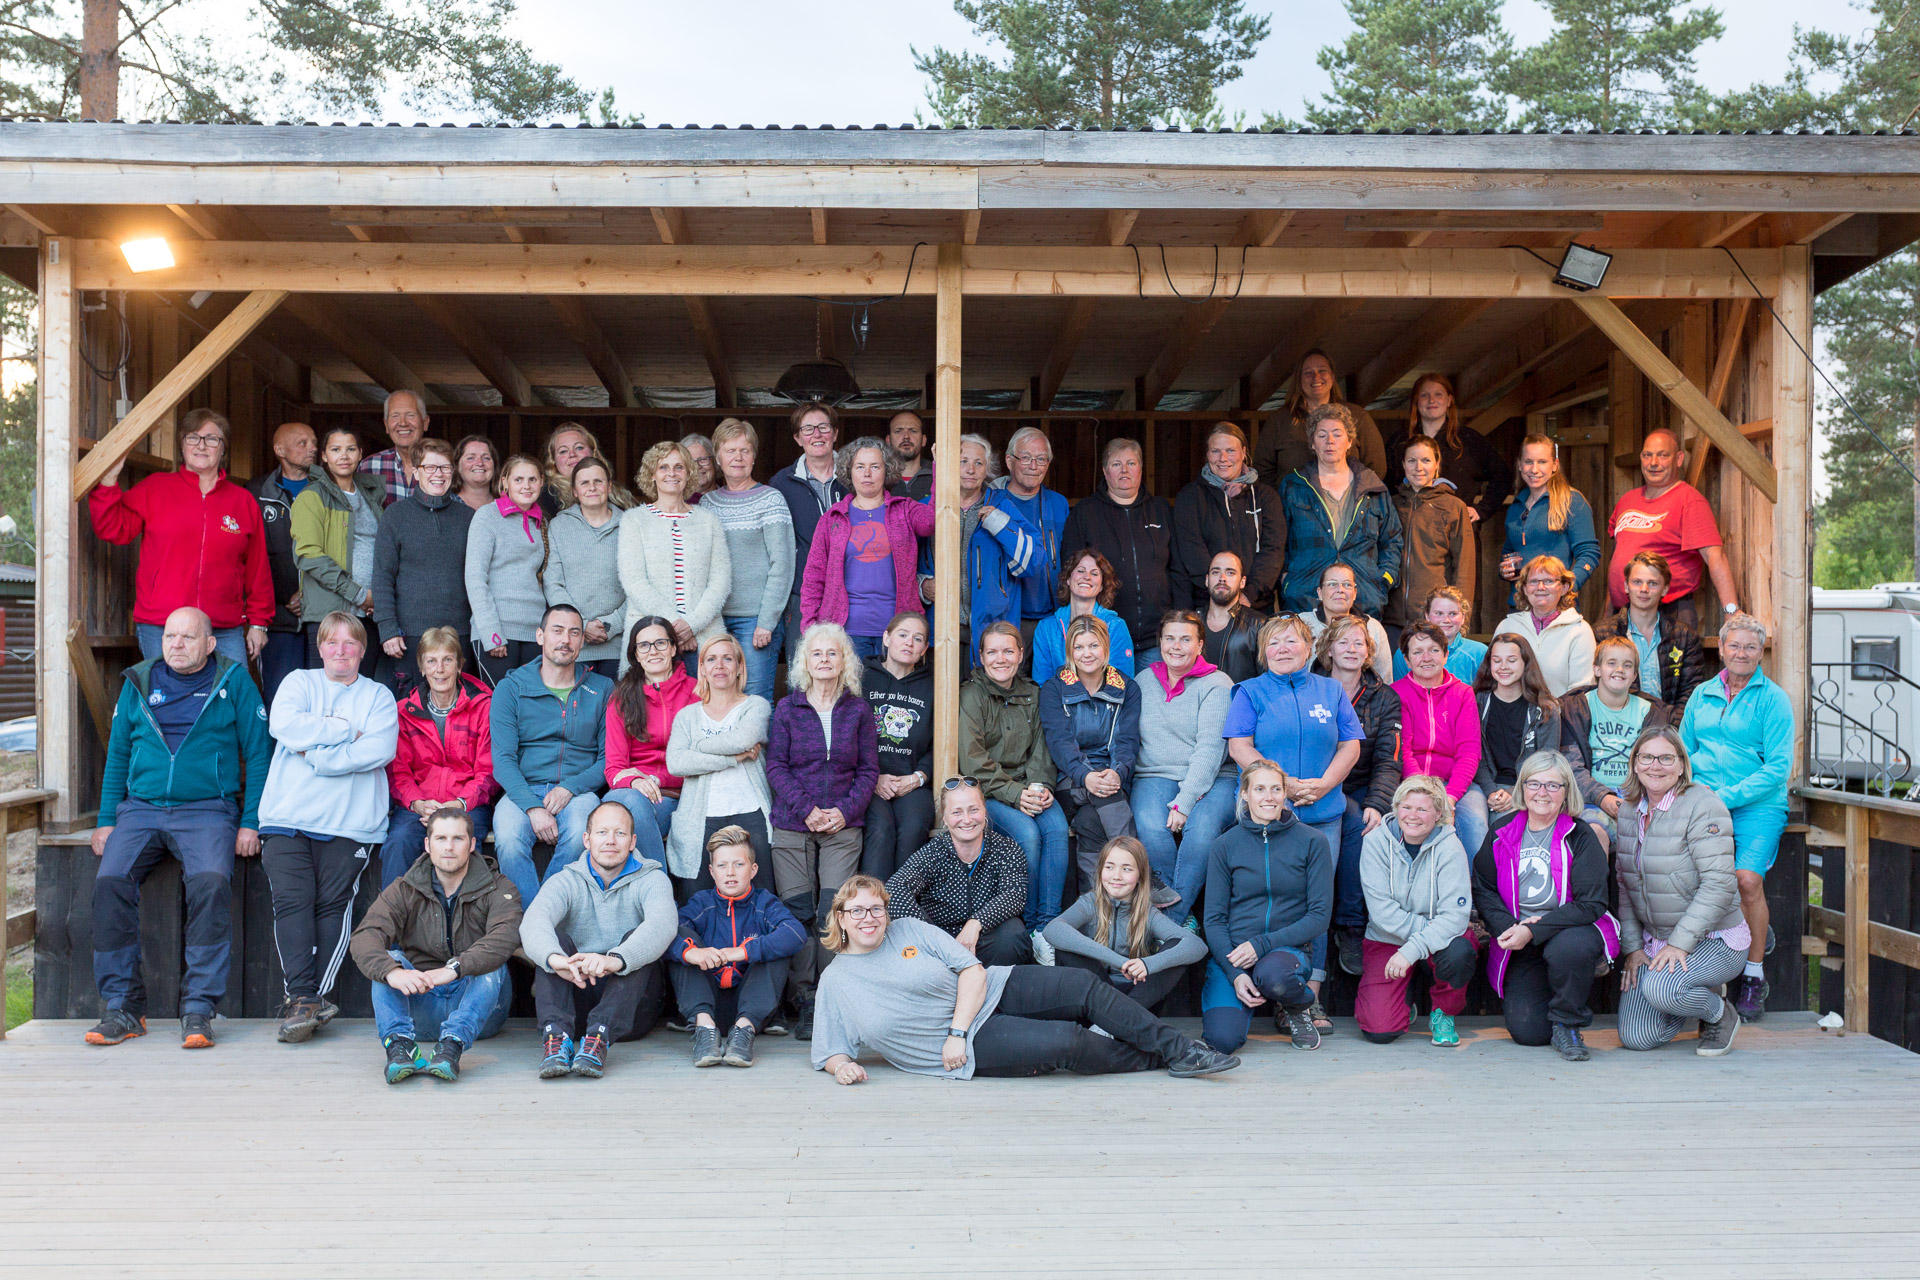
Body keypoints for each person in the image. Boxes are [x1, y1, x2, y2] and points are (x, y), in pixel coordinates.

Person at [811, 876, 1238, 1082]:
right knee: (1066, 1041)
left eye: (877, 908)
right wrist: (843, 1067)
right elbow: (829, 1050)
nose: (870, 918)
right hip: (961, 1049)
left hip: (987, 992)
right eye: (858, 911)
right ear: (841, 920)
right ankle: (1161, 1058)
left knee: (1081, 986)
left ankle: (1181, 1050)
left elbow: (971, 968)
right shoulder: (838, 980)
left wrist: (956, 1029)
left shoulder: (908, 929)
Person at [82, 607, 272, 1050]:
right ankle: (122, 1007)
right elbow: (118, 755)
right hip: (141, 809)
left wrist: (250, 822)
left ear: (210, 643)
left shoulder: (234, 682)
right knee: (109, 881)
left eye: (189, 637)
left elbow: (259, 754)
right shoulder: (138, 681)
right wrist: (107, 818)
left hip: (207, 809)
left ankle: (200, 1009)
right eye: (170, 636)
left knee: (209, 882)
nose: (177, 645)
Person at [258, 611, 400, 1045]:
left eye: (351, 643)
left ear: (363, 649)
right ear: (320, 648)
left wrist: (317, 755)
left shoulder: (377, 696)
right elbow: (283, 726)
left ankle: (309, 1000)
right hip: (287, 816)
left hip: (351, 823)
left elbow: (379, 749)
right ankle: (303, 998)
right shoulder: (299, 683)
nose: (341, 651)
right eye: (332, 643)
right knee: (292, 902)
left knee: (331, 908)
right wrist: (342, 731)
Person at [90, 407, 273, 666]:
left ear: (223, 449)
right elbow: (112, 528)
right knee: (169, 702)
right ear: (182, 446)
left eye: (212, 439)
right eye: (192, 437)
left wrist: (258, 623)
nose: (201, 445)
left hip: (223, 627)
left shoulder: (242, 501)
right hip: (162, 625)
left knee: (233, 698)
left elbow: (258, 569)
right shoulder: (156, 487)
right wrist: (108, 480)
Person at [348, 806, 519, 1083]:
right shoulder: (405, 888)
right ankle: (400, 1046)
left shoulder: (499, 887)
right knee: (387, 960)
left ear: (472, 844)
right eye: (440, 839)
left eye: (458, 839)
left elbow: (505, 937)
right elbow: (365, 936)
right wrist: (393, 972)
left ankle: (452, 1046)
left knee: (493, 963)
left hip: (480, 1010)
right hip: (422, 1009)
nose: (449, 847)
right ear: (427, 845)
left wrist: (454, 968)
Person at [766, 622, 879, 1038]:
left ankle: (831, 995)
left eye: (833, 653)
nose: (825, 660)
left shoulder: (858, 711)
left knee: (835, 912)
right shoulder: (787, 709)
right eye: (817, 654)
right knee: (797, 912)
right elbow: (776, 766)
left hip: (843, 825)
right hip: (794, 825)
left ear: (844, 660)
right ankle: (804, 998)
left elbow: (869, 770)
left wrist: (843, 812)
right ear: (805, 662)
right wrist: (807, 808)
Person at [1680, 613, 1794, 1021]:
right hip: (1705, 802)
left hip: (1758, 805)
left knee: (1747, 880)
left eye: (1750, 647)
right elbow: (1685, 752)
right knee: (1697, 880)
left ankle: (1753, 974)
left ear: (1759, 652)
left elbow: (1778, 768)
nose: (1741, 653)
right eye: (1735, 646)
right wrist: (1689, 790)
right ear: (1722, 649)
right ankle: (1707, 972)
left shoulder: (1773, 699)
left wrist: (1727, 795)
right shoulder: (1702, 694)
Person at [1472, 750, 1619, 1062]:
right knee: (1528, 1033)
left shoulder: (1580, 835)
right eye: (1534, 783)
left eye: (1553, 785)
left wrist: (1534, 931)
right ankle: (1557, 995)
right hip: (1521, 937)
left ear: (1566, 792)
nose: (1542, 792)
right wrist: (1510, 927)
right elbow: (1483, 887)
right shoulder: (1503, 831)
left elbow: (1591, 903)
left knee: (1568, 949)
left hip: (1570, 929)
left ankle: (1568, 1022)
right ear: (1522, 788)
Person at [521, 798, 676, 1079]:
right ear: (586, 839)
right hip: (579, 993)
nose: (611, 841)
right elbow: (534, 921)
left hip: (631, 1008)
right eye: (602, 832)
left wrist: (614, 959)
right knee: (552, 941)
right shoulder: (566, 880)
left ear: (632, 841)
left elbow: (663, 924)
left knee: (637, 942)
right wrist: (556, 960)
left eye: (620, 833)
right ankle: (556, 1039)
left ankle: (598, 1040)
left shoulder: (652, 879)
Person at [1613, 727, 1746, 1055]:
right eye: (1646, 757)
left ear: (1682, 765)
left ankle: (1718, 1013)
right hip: (1657, 940)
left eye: (1665, 758)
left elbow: (1720, 883)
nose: (1655, 766)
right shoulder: (1630, 810)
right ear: (1634, 763)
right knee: (1636, 1038)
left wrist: (1679, 944)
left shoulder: (1703, 805)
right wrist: (1632, 948)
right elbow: (1626, 886)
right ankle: (1688, 995)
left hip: (1712, 938)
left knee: (1660, 988)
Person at [1202, 760, 1333, 1053]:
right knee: (1222, 1040)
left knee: (1274, 975)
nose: (1269, 797)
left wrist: (1261, 945)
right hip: (1235, 954)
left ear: (1285, 793)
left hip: (1285, 951)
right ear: (1244, 794)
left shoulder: (1313, 842)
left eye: (1276, 789)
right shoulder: (1224, 845)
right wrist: (1234, 973)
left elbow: (1320, 916)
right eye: (1259, 789)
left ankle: (1299, 1007)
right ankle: (1234, 994)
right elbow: (1213, 919)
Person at [489, 605, 615, 907]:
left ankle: (541, 918)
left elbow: (607, 759)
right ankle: (538, 923)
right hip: (523, 790)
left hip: (579, 791)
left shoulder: (602, 688)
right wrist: (533, 807)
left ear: (582, 641)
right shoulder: (511, 688)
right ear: (540, 636)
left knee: (579, 837)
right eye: (557, 630)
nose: (565, 640)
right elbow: (503, 761)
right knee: (507, 838)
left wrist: (570, 787)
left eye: (574, 632)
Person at [960, 622, 1068, 947]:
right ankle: (1031, 923)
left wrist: (1038, 788)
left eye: (1008, 650)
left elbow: (1043, 749)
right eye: (992, 652)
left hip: (1029, 788)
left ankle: (1047, 929)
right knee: (1027, 835)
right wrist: (1016, 794)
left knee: (1057, 831)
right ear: (980, 656)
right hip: (989, 792)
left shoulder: (1033, 694)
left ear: (1021, 654)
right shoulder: (971, 695)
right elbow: (973, 760)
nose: (1000, 658)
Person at [1355, 776, 1477, 1046]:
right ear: (1396, 808)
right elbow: (1382, 914)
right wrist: (1425, 937)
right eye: (1406, 807)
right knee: (1379, 1030)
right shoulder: (1375, 842)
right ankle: (1404, 995)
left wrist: (1411, 950)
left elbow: (1455, 918)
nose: (1413, 816)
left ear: (1438, 814)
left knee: (1459, 951)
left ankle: (1443, 1013)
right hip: (1388, 937)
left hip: (1439, 941)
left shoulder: (1450, 847)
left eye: (1422, 809)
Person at [1130, 611, 1236, 919]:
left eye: (1186, 639)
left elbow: (1210, 748)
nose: (1176, 646)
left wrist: (1184, 802)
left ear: (1200, 645)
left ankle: (1170, 924)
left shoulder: (1217, 684)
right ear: (1160, 642)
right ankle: (1183, 915)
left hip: (1215, 775)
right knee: (1150, 824)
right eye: (1170, 638)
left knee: (1201, 831)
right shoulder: (1143, 680)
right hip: (1155, 773)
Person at [674, 825, 808, 1067]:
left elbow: (795, 933)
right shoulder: (701, 903)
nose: (730, 873)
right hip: (707, 1007)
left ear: (753, 869)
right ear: (712, 871)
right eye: (722, 866)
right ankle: (704, 1032)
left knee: (776, 944)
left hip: (751, 1012)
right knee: (682, 942)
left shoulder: (764, 903)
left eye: (739, 864)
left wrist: (745, 951)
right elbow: (666, 937)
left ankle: (742, 1034)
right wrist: (693, 952)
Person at [663, 635, 775, 908]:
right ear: (701, 669)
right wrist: (732, 759)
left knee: (759, 901)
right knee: (699, 903)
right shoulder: (687, 716)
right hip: (701, 818)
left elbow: (742, 740)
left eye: (728, 658)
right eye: (711, 659)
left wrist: (698, 747)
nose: (719, 665)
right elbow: (677, 763)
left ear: (739, 667)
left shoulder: (756, 706)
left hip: (751, 813)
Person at [1038, 616, 1143, 904]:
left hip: (1112, 781)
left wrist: (1117, 773)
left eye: (1094, 645)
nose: (1087, 653)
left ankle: (1094, 909)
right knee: (1101, 804)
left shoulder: (1126, 687)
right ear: (1070, 651)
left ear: (1106, 647)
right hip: (1069, 780)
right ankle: (1138, 866)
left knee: (1090, 823)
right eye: (1079, 647)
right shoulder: (1054, 688)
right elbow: (1060, 744)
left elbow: (1127, 741)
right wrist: (1086, 776)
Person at [1317, 614, 1401, 971]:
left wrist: (1378, 803)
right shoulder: (1308, 686)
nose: (1351, 649)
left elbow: (1389, 758)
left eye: (1359, 643)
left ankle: (1351, 926)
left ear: (1369, 652)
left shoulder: (1384, 697)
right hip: (1316, 782)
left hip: (1363, 783)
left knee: (1364, 826)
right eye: (1343, 642)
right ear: (1328, 649)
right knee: (1344, 818)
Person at [801, 436, 935, 658]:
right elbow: (813, 578)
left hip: (898, 632)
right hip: (845, 631)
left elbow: (930, 522)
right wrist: (810, 628)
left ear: (887, 471)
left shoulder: (904, 510)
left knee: (891, 692)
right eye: (860, 466)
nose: (867, 473)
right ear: (849, 471)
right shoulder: (832, 518)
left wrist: (940, 468)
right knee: (853, 693)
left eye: (875, 466)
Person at [383, 627, 496, 888]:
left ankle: (460, 921)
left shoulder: (483, 707)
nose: (440, 669)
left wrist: (459, 804)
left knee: (460, 846)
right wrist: (417, 804)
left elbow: (488, 771)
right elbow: (398, 772)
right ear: (421, 668)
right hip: (421, 807)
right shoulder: (404, 711)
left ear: (459, 665)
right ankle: (391, 922)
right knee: (399, 842)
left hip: (466, 804)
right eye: (431, 661)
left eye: (448, 660)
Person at [1045, 836, 1206, 1011]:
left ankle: (1121, 1019)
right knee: (1066, 945)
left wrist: (1147, 964)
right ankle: (1111, 1023)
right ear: (1100, 871)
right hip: (1095, 995)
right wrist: (1120, 962)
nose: (1117, 876)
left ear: (1140, 876)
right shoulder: (1090, 903)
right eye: (1109, 867)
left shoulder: (1147, 912)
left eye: (1127, 869)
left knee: (1177, 949)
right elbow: (1052, 930)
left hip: (1136, 998)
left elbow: (1197, 946)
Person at [885, 777, 1032, 965]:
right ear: (944, 818)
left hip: (985, 939)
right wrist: (933, 935)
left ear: (984, 811)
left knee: (1014, 936)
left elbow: (1015, 895)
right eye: (957, 812)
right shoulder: (934, 851)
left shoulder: (1005, 848)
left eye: (974, 810)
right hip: (940, 943)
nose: (967, 820)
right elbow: (894, 890)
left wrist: (976, 923)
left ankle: (993, 987)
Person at [925, 432, 1044, 663]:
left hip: (991, 629)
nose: (971, 469)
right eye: (963, 462)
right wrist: (923, 584)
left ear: (987, 469)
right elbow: (911, 561)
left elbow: (1033, 561)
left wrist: (999, 523)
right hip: (940, 630)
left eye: (978, 463)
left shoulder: (1001, 505)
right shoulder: (931, 507)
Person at [1276, 403, 1403, 617]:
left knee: (1356, 650)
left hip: (1363, 597)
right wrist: (1287, 578)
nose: (1330, 441)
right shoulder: (1293, 486)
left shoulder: (1373, 488)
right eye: (1322, 435)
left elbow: (1392, 539)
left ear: (1349, 442)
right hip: (1305, 597)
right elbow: (1278, 540)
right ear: (1312, 443)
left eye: (1337, 434)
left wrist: (1383, 579)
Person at [620, 439, 731, 676]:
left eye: (679, 467)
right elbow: (634, 581)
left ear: (689, 473)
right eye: (663, 467)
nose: (672, 473)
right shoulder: (634, 520)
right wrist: (671, 627)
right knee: (648, 709)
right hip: (652, 637)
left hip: (703, 635)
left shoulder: (708, 520)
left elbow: (720, 581)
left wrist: (691, 625)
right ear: (652, 474)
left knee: (708, 705)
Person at [372, 438, 475, 692]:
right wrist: (387, 629)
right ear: (416, 472)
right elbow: (383, 576)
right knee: (410, 713)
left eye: (445, 467)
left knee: (458, 711)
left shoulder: (470, 518)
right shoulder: (395, 516)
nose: (438, 474)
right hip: (408, 636)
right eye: (430, 467)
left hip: (459, 634)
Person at [1060, 438, 1176, 662]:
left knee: (1154, 696)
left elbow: (1177, 567)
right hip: (1105, 634)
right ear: (1105, 472)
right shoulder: (1085, 512)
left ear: (1141, 469)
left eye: (1131, 463)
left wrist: (1177, 620)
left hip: (1157, 637)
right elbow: (1071, 571)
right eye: (1116, 464)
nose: (1124, 470)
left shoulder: (1160, 510)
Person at [1606, 428, 1740, 621]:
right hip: (1624, 614)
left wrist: (1731, 612)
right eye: (1647, 455)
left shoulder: (1689, 501)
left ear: (1678, 459)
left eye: (1662, 456)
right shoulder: (1627, 500)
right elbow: (1618, 561)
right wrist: (1607, 615)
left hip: (1668, 613)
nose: (1653, 463)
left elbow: (1715, 557)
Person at [703, 418, 795, 699]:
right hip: (714, 618)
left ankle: (759, 747)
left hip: (755, 618)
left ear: (754, 456)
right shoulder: (708, 503)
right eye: (730, 451)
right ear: (718, 457)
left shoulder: (770, 499)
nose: (738, 458)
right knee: (715, 696)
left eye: (745, 450)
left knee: (755, 696)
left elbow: (783, 564)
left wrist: (767, 620)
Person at [604, 616, 701, 872]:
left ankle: (649, 891)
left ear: (672, 648)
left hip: (678, 796)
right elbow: (613, 768)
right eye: (644, 645)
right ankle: (658, 891)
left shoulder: (697, 692)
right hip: (633, 794)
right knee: (622, 809)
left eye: (660, 643)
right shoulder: (621, 699)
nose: (653, 651)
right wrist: (636, 781)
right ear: (635, 654)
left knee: (622, 821)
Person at [1561, 637, 1669, 851]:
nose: (1619, 669)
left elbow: (1658, 764)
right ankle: (1597, 885)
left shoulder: (1650, 712)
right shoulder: (1576, 708)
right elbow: (1570, 765)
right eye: (1611, 663)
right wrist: (1603, 797)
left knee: (1656, 837)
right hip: (1591, 798)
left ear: (1635, 675)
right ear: (1597, 669)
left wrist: (1637, 799)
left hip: (1638, 797)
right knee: (1594, 831)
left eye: (1627, 665)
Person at [293, 425, 386, 672]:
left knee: (363, 692)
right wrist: (358, 594)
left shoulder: (370, 495)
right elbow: (309, 556)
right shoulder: (312, 496)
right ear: (324, 456)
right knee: (329, 694)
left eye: (350, 449)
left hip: (369, 615)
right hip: (330, 615)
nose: (343, 456)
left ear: (360, 454)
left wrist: (379, 597)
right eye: (335, 449)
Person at [1172, 422, 1286, 612]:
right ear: (1207, 455)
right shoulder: (1190, 497)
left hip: (1257, 605)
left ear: (1243, 452)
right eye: (1216, 451)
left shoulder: (1265, 497)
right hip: (1208, 606)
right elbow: (1191, 550)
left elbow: (1273, 549)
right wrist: (1221, 594)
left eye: (1230, 451)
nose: (1223, 458)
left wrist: (1249, 594)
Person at [1394, 622, 1487, 857]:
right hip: (1409, 782)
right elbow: (1403, 750)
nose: (1426, 658)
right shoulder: (1396, 693)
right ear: (1406, 660)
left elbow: (1469, 751)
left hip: (1455, 784)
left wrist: (1450, 796)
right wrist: (1424, 792)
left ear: (1446, 655)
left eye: (1434, 650)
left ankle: (1472, 891)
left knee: (1474, 823)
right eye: (1417, 652)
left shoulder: (1463, 693)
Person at [769, 401, 849, 663]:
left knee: (850, 668)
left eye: (823, 427)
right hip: (803, 594)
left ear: (835, 433)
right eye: (808, 429)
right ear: (797, 438)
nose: (817, 434)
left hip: (851, 590)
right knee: (803, 670)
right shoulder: (781, 483)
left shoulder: (855, 475)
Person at [463, 452, 549, 686]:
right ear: (505, 482)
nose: (526, 486)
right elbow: (475, 578)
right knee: (500, 706)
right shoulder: (487, 516)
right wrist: (492, 633)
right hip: (499, 631)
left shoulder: (540, 521)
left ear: (541, 482)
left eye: (532, 479)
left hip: (534, 632)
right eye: (518, 479)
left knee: (532, 705)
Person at [861, 612, 935, 881]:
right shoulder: (862, 678)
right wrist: (872, 778)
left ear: (925, 648)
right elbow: (848, 737)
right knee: (880, 828)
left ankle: (903, 905)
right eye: (902, 635)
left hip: (913, 780)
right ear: (886, 638)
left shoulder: (933, 684)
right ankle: (873, 906)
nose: (909, 643)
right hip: (868, 780)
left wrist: (918, 778)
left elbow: (942, 743)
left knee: (914, 827)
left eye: (918, 639)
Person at [543, 456, 627, 679]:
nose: (592, 488)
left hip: (619, 643)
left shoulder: (629, 525)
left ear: (609, 487)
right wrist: (581, 625)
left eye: (598, 482)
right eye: (584, 483)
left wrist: (612, 625)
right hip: (573, 645)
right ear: (575, 491)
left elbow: (639, 583)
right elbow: (553, 583)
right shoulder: (559, 526)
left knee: (614, 710)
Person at [1470, 632, 1561, 836]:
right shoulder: (1476, 704)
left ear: (1525, 664)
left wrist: (1515, 793)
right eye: (1496, 660)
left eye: (1511, 660)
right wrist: (1490, 791)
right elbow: (1476, 757)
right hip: (1485, 785)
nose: (1503, 666)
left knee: (1505, 827)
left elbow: (1546, 763)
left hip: (1531, 787)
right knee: (1473, 824)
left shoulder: (1545, 710)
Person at [252, 421, 317, 707]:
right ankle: (279, 754)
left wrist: (312, 593)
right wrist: (284, 597)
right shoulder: (256, 492)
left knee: (321, 700)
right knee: (281, 702)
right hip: (278, 620)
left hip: (323, 618)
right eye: (303, 443)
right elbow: (252, 558)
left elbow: (344, 553)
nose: (312, 448)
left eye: (314, 442)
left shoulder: (329, 490)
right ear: (280, 450)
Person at [1389, 373, 1509, 526]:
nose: (1431, 400)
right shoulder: (1399, 443)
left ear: (1449, 400)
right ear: (1416, 401)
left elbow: (1503, 475)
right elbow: (1386, 484)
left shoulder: (1469, 440)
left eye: (1438, 394)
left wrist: (1481, 510)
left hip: (1457, 530)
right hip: (1411, 532)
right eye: (1424, 395)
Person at [1387, 435, 1476, 641]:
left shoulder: (1453, 506)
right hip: (1392, 616)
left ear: (1437, 464)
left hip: (1434, 616)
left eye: (1426, 460)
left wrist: (1461, 617)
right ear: (1403, 464)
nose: (1419, 467)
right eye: (1412, 460)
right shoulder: (1391, 504)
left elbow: (1464, 566)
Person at [1254, 348, 1389, 482]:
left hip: (1348, 502)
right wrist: (1283, 498)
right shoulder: (1279, 420)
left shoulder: (1357, 416)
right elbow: (1262, 470)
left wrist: (1355, 497)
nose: (1316, 377)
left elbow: (1376, 468)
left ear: (1332, 376)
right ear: (1299, 380)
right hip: (1290, 502)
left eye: (1322, 371)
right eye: (1308, 372)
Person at [1594, 551, 1708, 710]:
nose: (1644, 589)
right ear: (1626, 586)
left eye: (1653, 583)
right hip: (1618, 726)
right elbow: (1598, 689)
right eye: (1637, 582)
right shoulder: (1603, 634)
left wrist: (1670, 728)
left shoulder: (1684, 636)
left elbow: (1690, 692)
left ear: (1665, 589)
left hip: (1669, 728)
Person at [992, 426, 1071, 650]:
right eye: (1026, 458)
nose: (1034, 466)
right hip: (1008, 617)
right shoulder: (993, 502)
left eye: (1041, 459)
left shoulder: (1058, 503)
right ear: (1009, 461)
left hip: (1053, 616)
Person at [1501, 434, 1600, 599]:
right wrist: (1504, 570)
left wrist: (1568, 587)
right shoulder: (1516, 507)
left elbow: (1589, 553)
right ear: (1519, 465)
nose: (1534, 469)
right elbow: (1509, 553)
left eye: (1542, 462)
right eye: (1528, 462)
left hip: (1556, 606)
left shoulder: (1572, 501)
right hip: (1519, 604)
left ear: (1555, 465)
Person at [1494, 554, 1596, 698]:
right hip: (1513, 716)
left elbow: (1580, 691)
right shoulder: (1507, 627)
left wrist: (1553, 717)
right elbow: (1495, 681)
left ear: (1565, 587)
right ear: (1524, 588)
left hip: (1562, 717)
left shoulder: (1579, 631)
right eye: (1533, 581)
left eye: (1548, 581)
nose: (1540, 587)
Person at [1031, 546, 1137, 679]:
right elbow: (1042, 683)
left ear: (1102, 586)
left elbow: (1122, 681)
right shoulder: (1046, 628)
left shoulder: (1115, 626)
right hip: (1058, 699)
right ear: (1068, 579)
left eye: (1094, 573)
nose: (1087, 577)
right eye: (1080, 571)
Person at [1302, 562, 1392, 683]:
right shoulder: (1302, 624)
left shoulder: (1372, 627)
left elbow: (1384, 680)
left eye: (1347, 584)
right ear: (1320, 592)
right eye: (1332, 584)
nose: (1340, 590)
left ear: (1355, 593)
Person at [1392, 586, 1487, 683]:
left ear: (1463, 617)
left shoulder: (1480, 653)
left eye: (1453, 614)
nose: (1446, 620)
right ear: (1427, 616)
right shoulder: (1405, 652)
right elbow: (1399, 693)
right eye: (1439, 613)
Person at [1198, 550, 1263, 684]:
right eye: (1215, 572)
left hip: (1241, 703)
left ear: (1242, 582)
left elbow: (1269, 681)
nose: (1222, 578)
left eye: (1230, 573)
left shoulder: (1259, 625)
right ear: (1207, 580)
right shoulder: (1191, 624)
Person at [541, 422, 632, 516]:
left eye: (579, 448)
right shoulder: (547, 496)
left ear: (593, 453)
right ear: (553, 461)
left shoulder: (617, 494)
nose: (572, 454)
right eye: (563, 451)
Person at [359, 388, 429, 507]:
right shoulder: (369, 466)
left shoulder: (444, 466)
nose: (403, 423)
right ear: (386, 425)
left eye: (410, 415)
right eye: (395, 416)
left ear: (425, 422)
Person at [885, 410, 934, 503]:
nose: (906, 436)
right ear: (888, 440)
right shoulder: (876, 477)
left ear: (923, 440)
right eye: (898, 431)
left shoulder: (939, 476)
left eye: (913, 431)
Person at [452, 434, 498, 512]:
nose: (480, 463)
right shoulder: (448, 504)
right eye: (470, 458)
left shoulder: (506, 506)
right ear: (457, 466)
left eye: (486, 458)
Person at [680, 431, 716, 500]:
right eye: (691, 462)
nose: (697, 466)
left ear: (714, 461)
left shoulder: (728, 499)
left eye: (703, 459)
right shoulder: (676, 504)